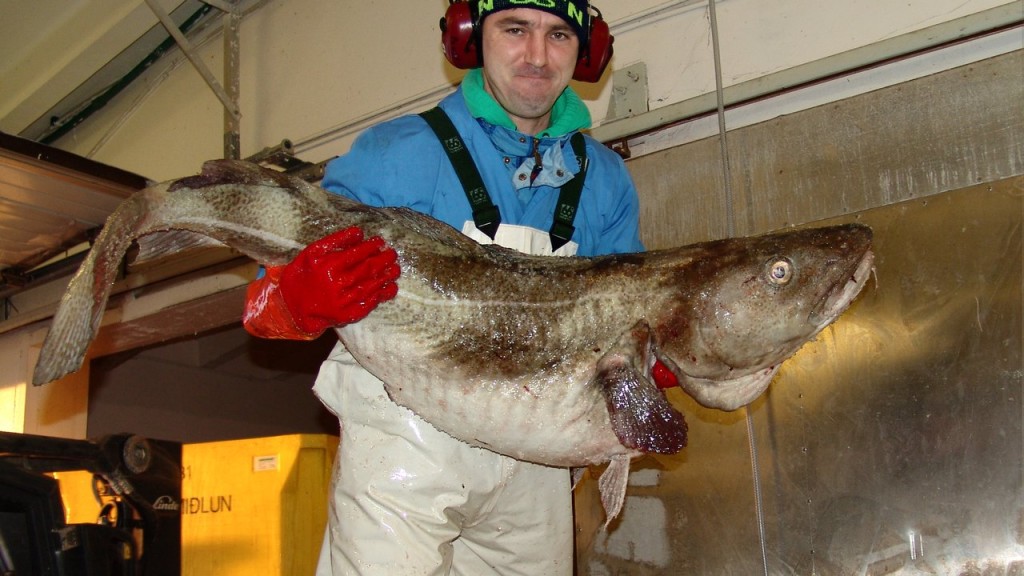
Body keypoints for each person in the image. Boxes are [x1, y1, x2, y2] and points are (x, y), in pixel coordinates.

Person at [243, 1, 677, 574]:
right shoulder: (397, 153)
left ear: (587, 52)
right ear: (472, 37)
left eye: (559, 36)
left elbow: (632, 313)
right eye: (515, 30)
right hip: (405, 446)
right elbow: (262, 295)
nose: (537, 56)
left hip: (537, 459)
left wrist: (655, 358)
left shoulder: (604, 180)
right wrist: (295, 302)